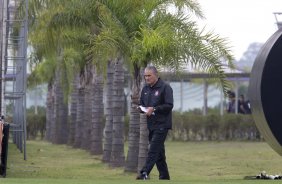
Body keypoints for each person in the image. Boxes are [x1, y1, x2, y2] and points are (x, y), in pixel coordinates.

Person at [136, 65, 173, 180]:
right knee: (159, 153)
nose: (147, 78)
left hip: (162, 125)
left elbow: (169, 105)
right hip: (151, 125)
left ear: (155, 75)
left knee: (153, 150)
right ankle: (164, 176)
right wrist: (140, 109)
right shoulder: (145, 89)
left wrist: (155, 109)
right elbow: (142, 104)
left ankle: (144, 173)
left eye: (149, 76)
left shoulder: (165, 87)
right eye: (145, 76)